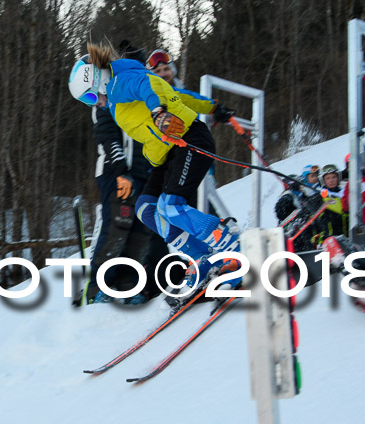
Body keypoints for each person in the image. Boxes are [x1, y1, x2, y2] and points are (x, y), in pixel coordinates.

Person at [68, 41, 239, 286]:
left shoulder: (119, 83)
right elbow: (179, 95)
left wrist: (159, 113)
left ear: (99, 80)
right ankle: (202, 256)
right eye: (87, 101)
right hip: (168, 154)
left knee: (171, 207)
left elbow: (146, 86)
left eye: (90, 95)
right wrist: (212, 107)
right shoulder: (117, 98)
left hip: (187, 139)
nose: (93, 102)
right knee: (146, 209)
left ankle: (230, 244)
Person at [75, 41, 169, 305]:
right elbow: (106, 134)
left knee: (141, 228)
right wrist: (120, 171)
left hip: (143, 170)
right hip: (115, 171)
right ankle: (98, 288)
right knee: (118, 224)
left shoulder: (135, 86)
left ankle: (127, 284)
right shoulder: (106, 98)